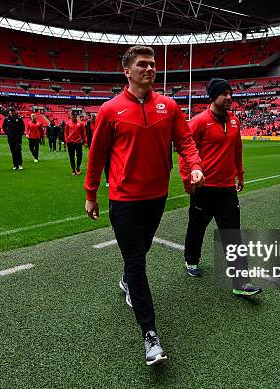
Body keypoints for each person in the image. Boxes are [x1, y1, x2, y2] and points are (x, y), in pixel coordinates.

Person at [84, 45, 204, 366]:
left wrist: (193, 163)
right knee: (137, 262)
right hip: (123, 200)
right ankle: (150, 336)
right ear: (127, 71)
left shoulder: (170, 105)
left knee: (141, 250)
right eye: (142, 64)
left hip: (156, 198)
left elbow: (185, 141)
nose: (150, 69)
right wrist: (91, 193)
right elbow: (96, 157)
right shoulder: (110, 110)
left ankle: (126, 280)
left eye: (152, 64)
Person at [178, 78, 260, 296]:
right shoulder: (198, 121)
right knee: (197, 228)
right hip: (203, 188)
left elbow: (237, 149)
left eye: (230, 93)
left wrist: (240, 174)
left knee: (232, 234)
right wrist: (188, 180)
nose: (229, 97)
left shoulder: (234, 121)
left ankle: (240, 283)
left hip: (227, 189)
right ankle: (191, 260)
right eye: (224, 93)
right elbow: (184, 152)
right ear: (213, 96)